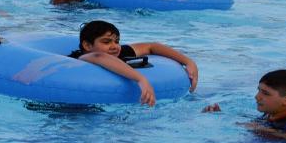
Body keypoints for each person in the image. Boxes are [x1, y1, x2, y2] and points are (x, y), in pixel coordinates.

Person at [69, 20, 199, 107]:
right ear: (87, 45)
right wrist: (141, 79)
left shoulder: (117, 52)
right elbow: (99, 56)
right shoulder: (83, 57)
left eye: (117, 41)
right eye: (106, 42)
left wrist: (188, 62)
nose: (115, 46)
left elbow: (151, 46)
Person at [204, 70, 286, 140]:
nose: (257, 96)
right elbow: (253, 123)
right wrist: (221, 115)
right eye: (259, 90)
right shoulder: (271, 113)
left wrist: (264, 130)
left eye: (265, 93)